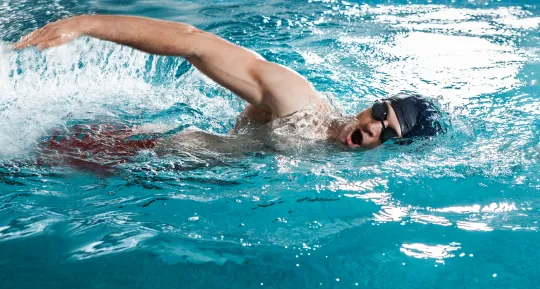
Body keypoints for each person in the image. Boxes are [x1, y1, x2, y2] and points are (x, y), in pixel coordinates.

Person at [14, 15, 445, 159]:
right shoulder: (296, 102)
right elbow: (195, 44)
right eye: (378, 116)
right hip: (150, 155)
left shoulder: (351, 165)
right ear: (367, 108)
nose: (375, 130)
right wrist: (85, 25)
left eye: (387, 135)